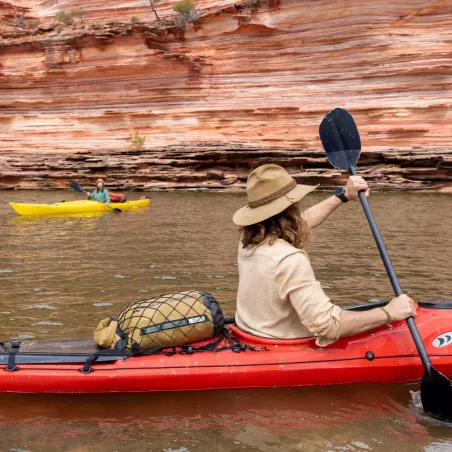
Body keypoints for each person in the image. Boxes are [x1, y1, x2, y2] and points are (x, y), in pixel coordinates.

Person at [232, 164, 417, 346]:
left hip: (249, 335)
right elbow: (328, 325)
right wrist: (389, 312)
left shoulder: (249, 240)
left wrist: (343, 195)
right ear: (290, 208)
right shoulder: (289, 259)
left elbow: (302, 222)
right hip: (281, 347)